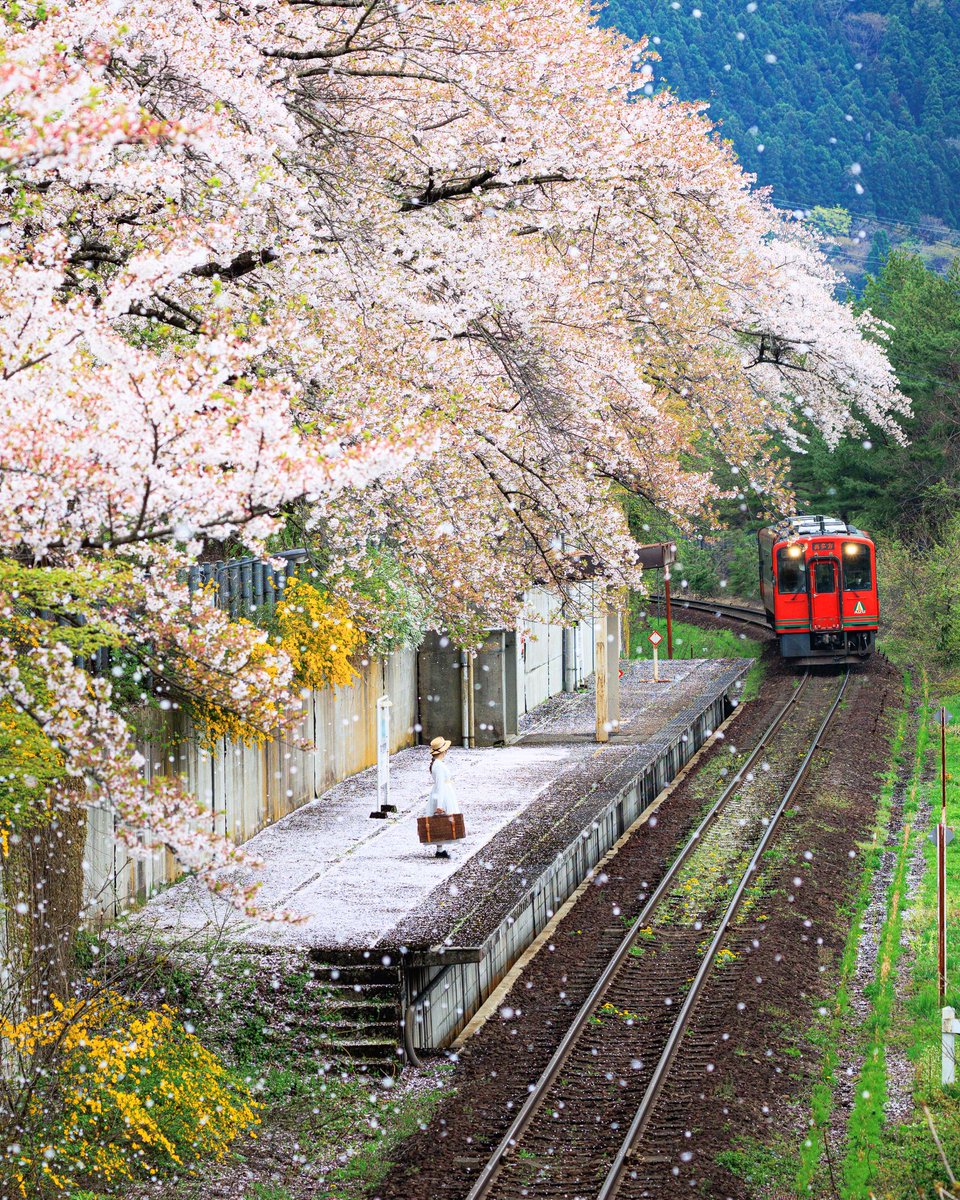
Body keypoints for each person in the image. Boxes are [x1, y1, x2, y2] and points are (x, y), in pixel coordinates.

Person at [425, 736, 460, 858]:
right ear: (443, 751)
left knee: (441, 821)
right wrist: (439, 805)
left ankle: (440, 849)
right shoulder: (438, 766)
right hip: (442, 794)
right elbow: (440, 786)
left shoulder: (437, 764)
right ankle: (439, 850)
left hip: (443, 792)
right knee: (441, 820)